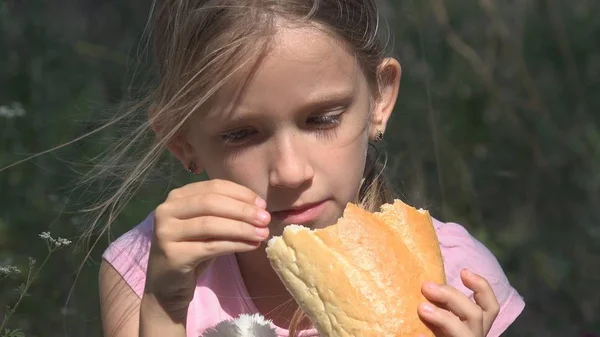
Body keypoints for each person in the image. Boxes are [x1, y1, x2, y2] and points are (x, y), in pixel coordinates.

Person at [98, 0, 525, 336]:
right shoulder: (150, 272)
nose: (289, 171)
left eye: (321, 119)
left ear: (379, 99)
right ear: (182, 139)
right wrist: (164, 310)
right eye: (241, 134)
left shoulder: (451, 283)